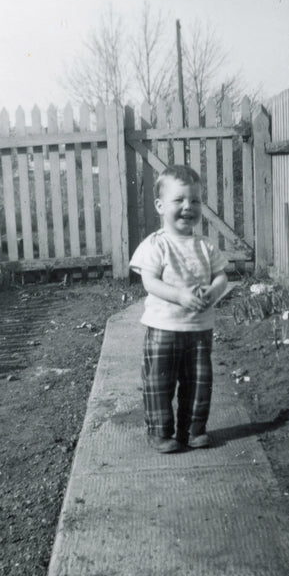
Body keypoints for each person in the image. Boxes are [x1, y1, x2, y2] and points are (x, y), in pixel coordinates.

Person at [129, 164, 228, 453]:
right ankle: (160, 432)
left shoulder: (206, 247)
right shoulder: (156, 245)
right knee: (159, 383)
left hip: (199, 329)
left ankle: (193, 429)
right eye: (179, 200)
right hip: (163, 327)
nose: (188, 207)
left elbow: (221, 276)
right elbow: (150, 282)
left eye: (195, 201)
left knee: (198, 383)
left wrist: (214, 290)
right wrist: (180, 296)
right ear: (160, 206)